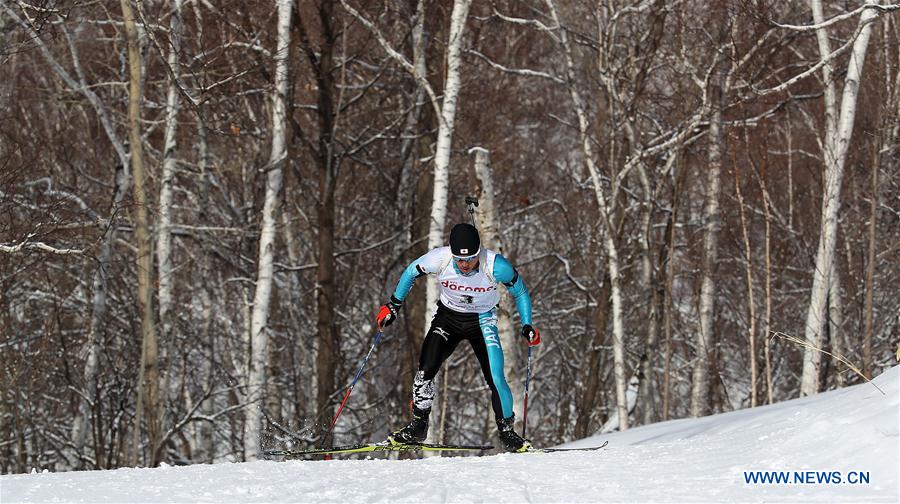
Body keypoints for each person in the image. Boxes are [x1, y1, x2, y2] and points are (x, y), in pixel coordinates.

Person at [375, 223, 541, 452]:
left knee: (496, 376)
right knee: (426, 367)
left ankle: (507, 432)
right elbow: (411, 271)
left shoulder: (496, 265)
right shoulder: (439, 259)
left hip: (482, 320)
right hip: (448, 318)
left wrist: (527, 324)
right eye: (459, 260)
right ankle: (418, 426)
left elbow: (521, 291)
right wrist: (393, 305)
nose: (464, 265)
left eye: (470, 259)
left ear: (478, 253)